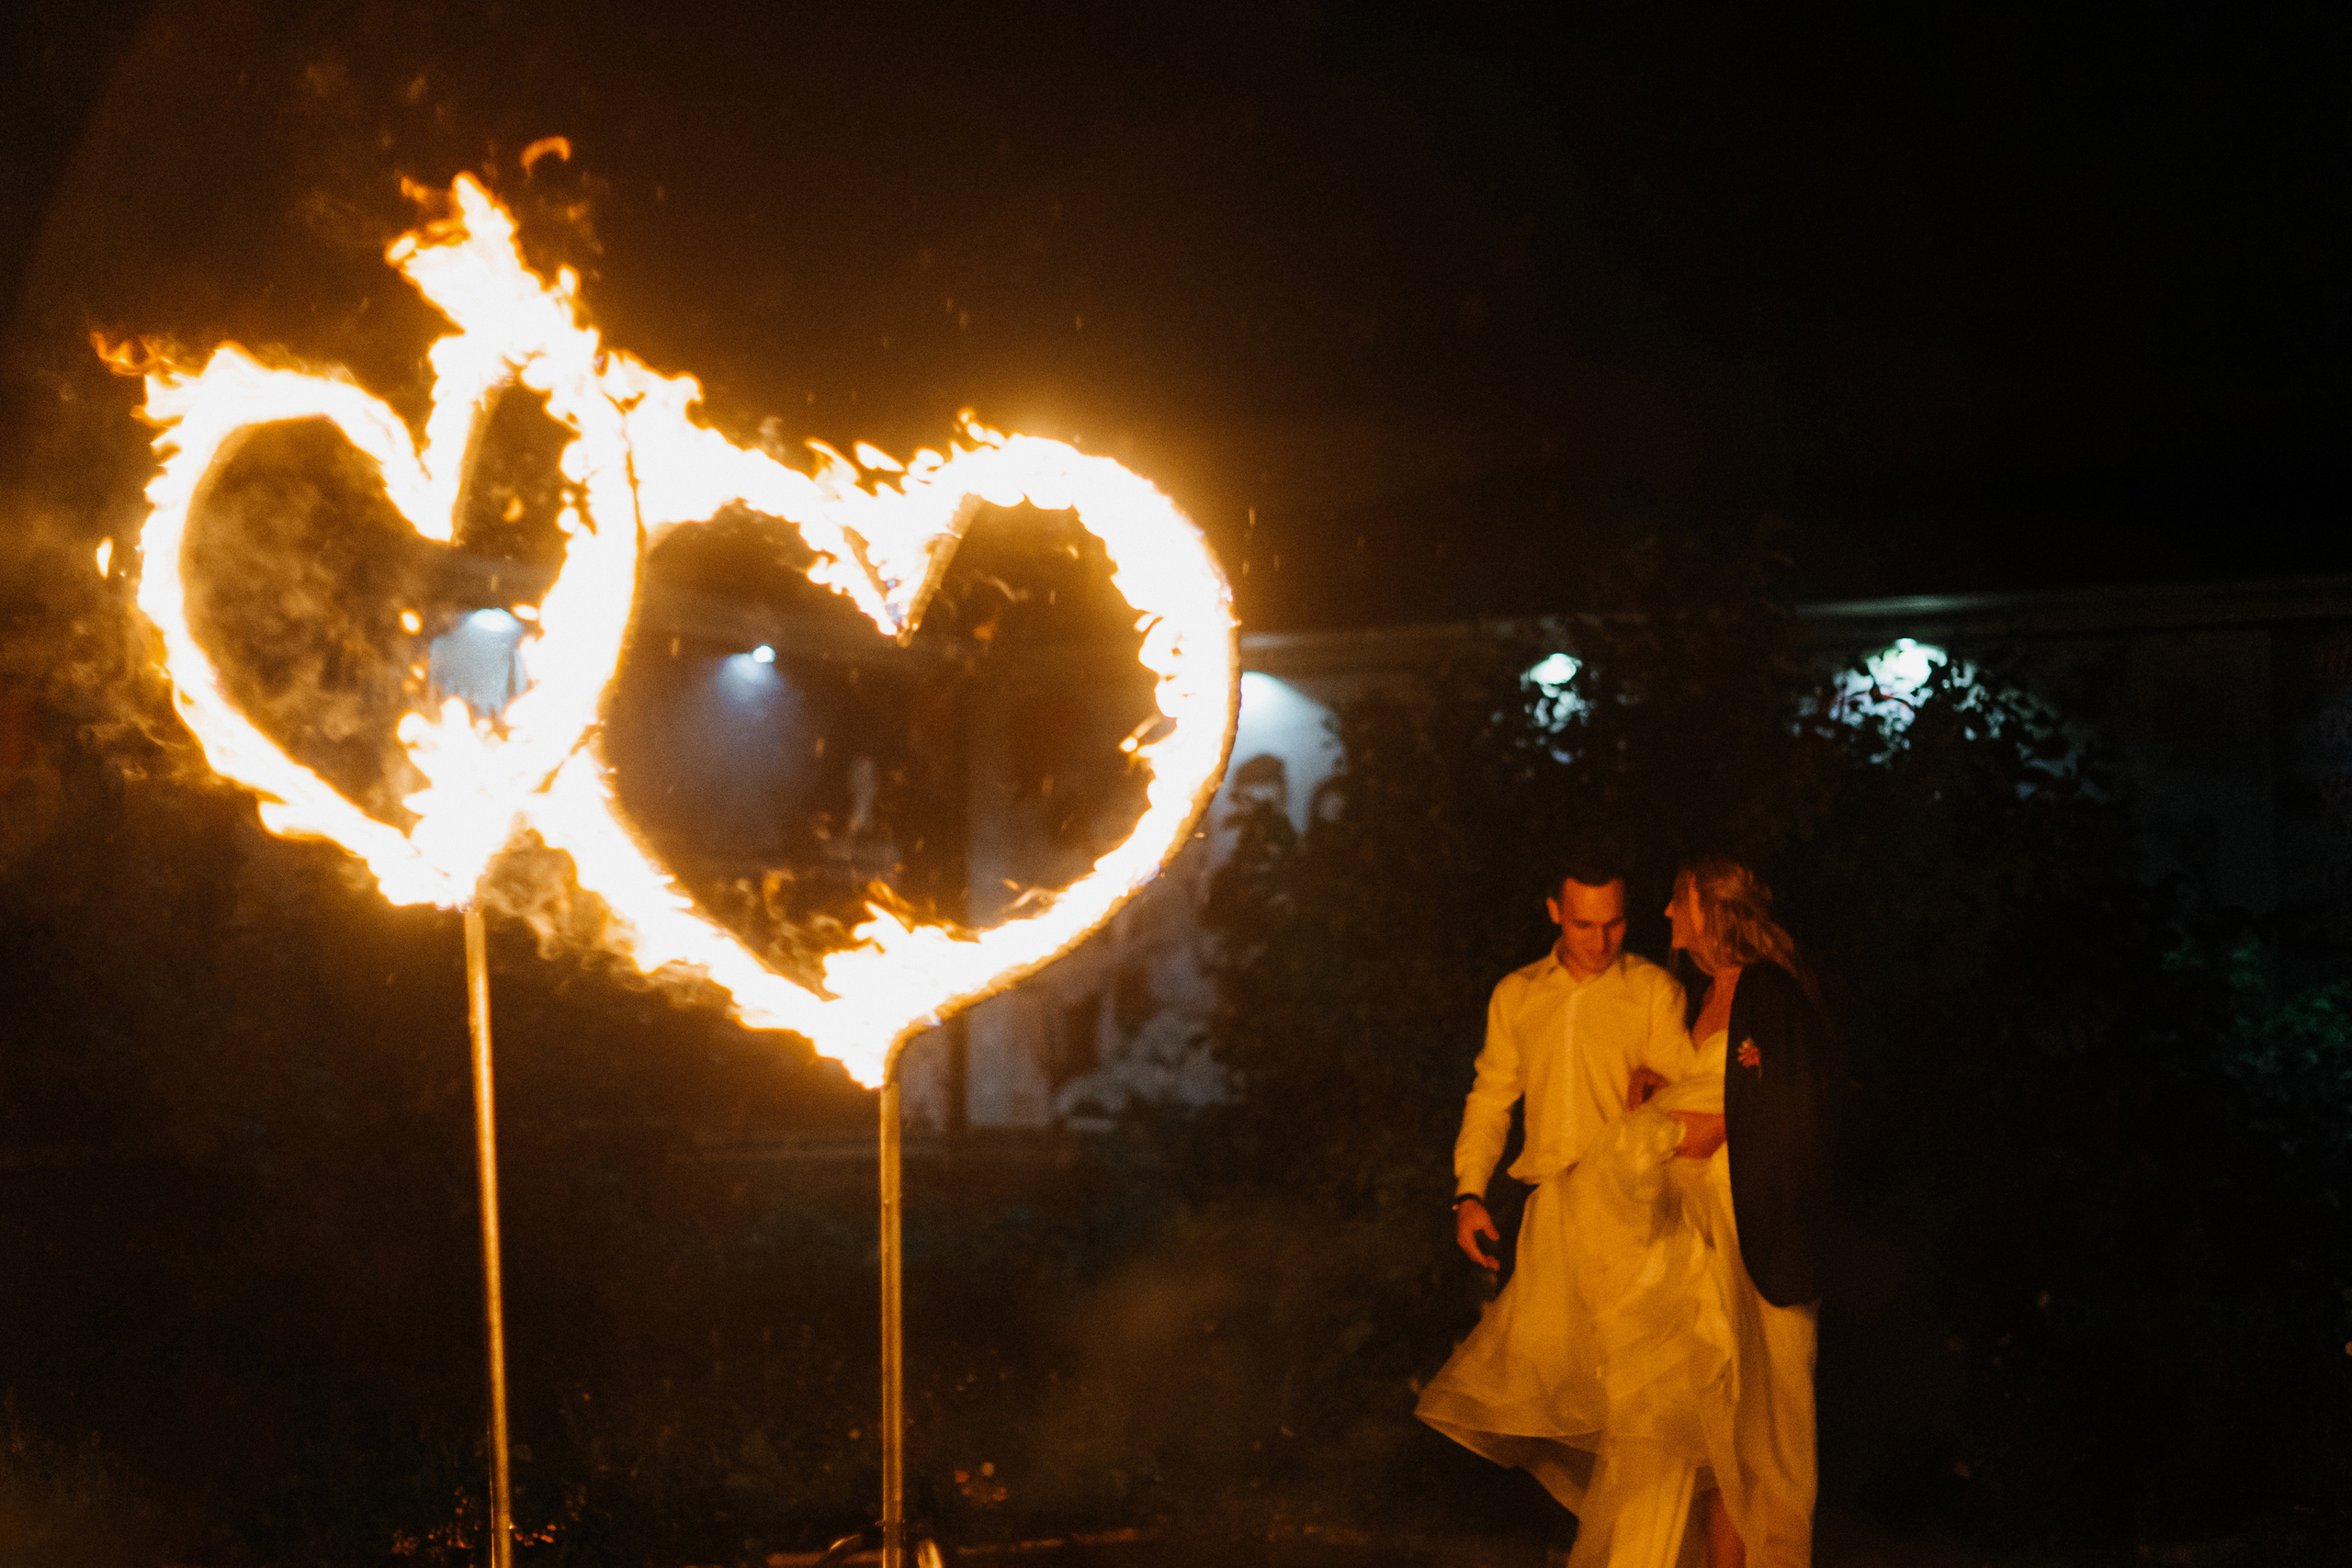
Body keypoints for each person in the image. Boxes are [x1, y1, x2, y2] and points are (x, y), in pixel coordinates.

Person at [1515, 856, 1834, 1568]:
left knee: (1753, 1413)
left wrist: (1716, 1126)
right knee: (1701, 1412)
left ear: (1708, 910)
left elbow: (1783, 1098)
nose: (1665, 914)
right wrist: (1667, 1092)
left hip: (1745, 1218)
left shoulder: (1768, 990)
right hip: (1697, 1216)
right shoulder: (1707, 991)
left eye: (1676, 901)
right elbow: (1717, 1080)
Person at [1414, 837, 1695, 1551]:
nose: (1600, 940)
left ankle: (1648, 1548)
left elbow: (1693, 1096)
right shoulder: (1519, 993)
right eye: (1583, 923)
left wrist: (1658, 1089)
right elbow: (1491, 1097)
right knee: (1549, 1393)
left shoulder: (1652, 991)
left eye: (1614, 923)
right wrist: (1468, 1193)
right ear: (1554, 912)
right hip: (1552, 1217)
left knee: (1638, 1400)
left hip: (1634, 1221)